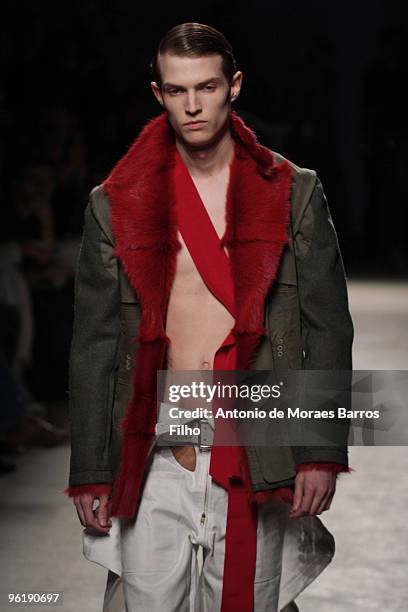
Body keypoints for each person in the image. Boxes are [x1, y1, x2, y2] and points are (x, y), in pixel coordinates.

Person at [64, 22, 354, 612]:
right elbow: (94, 343)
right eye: (176, 90)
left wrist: (319, 452)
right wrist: (91, 468)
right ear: (158, 94)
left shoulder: (293, 193)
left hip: (256, 432)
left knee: (252, 600)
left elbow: (328, 329)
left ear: (234, 86)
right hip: (152, 441)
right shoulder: (116, 204)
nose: (193, 105)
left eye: (207, 86)